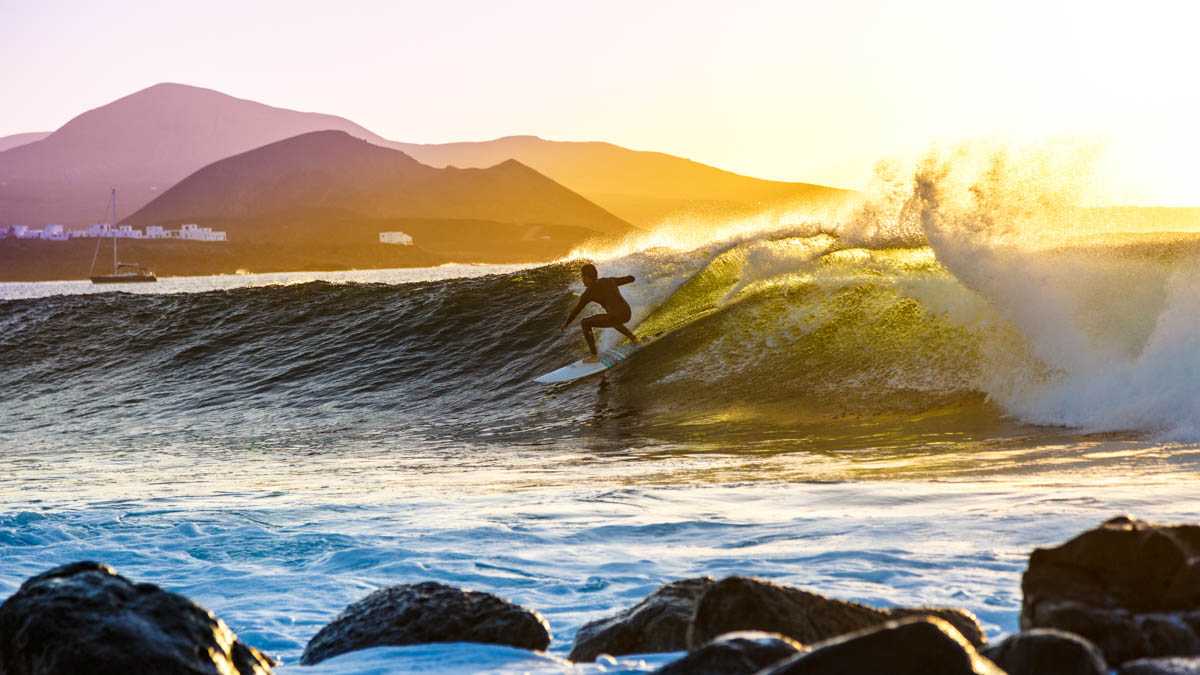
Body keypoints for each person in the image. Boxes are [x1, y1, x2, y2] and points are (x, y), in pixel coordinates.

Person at [560, 263, 639, 363]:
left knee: (584, 322)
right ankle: (634, 338)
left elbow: (576, 310)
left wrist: (566, 324)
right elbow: (629, 278)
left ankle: (594, 356)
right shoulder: (608, 280)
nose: (582, 279)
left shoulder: (588, 292)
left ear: (587, 277)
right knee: (611, 319)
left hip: (616, 316)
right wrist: (631, 278)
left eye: (582, 276)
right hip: (627, 313)